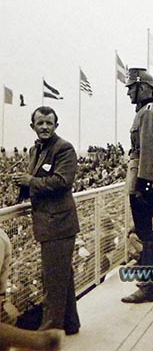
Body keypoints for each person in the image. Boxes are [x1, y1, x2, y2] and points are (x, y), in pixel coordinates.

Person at [13, 106, 81, 335]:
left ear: (56, 126)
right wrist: (24, 186)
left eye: (49, 123)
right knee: (63, 276)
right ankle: (70, 324)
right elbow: (38, 180)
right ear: (32, 126)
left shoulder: (64, 148)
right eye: (40, 123)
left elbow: (62, 181)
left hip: (59, 224)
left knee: (53, 280)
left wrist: (30, 180)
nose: (44, 127)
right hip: (48, 223)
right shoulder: (35, 150)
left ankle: (49, 332)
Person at [121, 68, 153, 303]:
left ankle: (148, 286)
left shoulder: (148, 113)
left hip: (146, 180)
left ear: (143, 88)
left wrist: (143, 184)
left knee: (146, 234)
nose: (129, 92)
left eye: (131, 87)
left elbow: (148, 150)